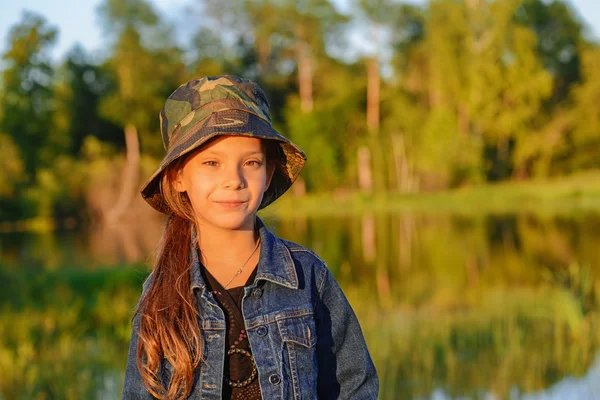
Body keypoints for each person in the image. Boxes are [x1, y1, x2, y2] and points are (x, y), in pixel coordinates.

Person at [122, 75, 379, 400]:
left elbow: (355, 387)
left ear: (269, 171)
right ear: (177, 177)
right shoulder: (160, 294)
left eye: (251, 162)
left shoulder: (307, 276)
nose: (234, 180)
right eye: (212, 163)